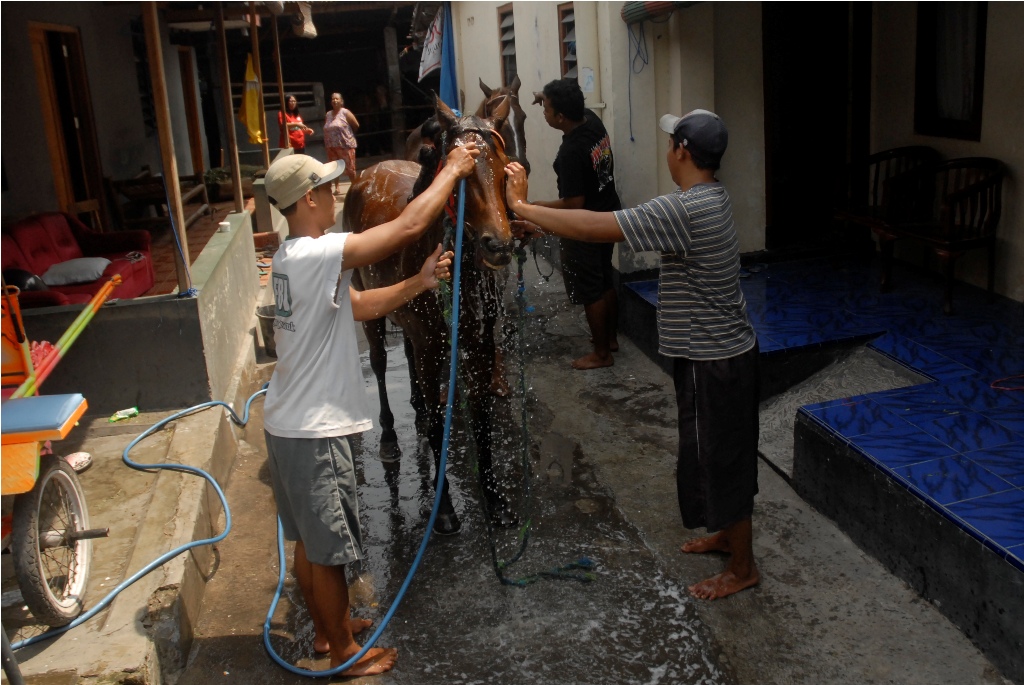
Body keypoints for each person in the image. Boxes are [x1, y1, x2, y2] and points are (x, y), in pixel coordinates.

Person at [504, 109, 760, 601]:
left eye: (670, 142)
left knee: (723, 459)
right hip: (713, 354)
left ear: (681, 151)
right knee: (709, 452)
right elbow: (590, 224)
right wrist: (545, 225)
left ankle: (743, 568)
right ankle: (729, 536)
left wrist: (523, 206)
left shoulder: (686, 210)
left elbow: (598, 225)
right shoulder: (708, 198)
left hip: (717, 361)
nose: (668, 150)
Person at [262, 144, 478, 675]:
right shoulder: (320, 254)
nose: (336, 193)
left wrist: (418, 282)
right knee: (330, 551)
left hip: (285, 423)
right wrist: (451, 169)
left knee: (310, 546)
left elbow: (357, 306)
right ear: (309, 198)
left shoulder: (292, 260)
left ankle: (326, 634)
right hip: (315, 430)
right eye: (329, 187)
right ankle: (343, 654)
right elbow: (406, 227)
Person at [531, 78, 621, 370]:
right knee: (605, 278)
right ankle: (609, 340)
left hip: (585, 226)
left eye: (546, 108)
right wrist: (545, 95)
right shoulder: (592, 122)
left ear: (561, 117)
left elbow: (573, 205)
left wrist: (536, 208)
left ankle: (601, 355)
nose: (543, 112)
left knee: (590, 289)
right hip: (608, 215)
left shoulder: (571, 153)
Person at [324, 92, 360, 192]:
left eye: (337, 99)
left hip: (345, 145)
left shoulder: (345, 112)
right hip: (331, 146)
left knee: (350, 168)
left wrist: (348, 136)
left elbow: (356, 125)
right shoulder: (328, 114)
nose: (335, 101)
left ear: (341, 101)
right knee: (334, 167)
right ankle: (337, 187)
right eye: (333, 99)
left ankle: (354, 187)